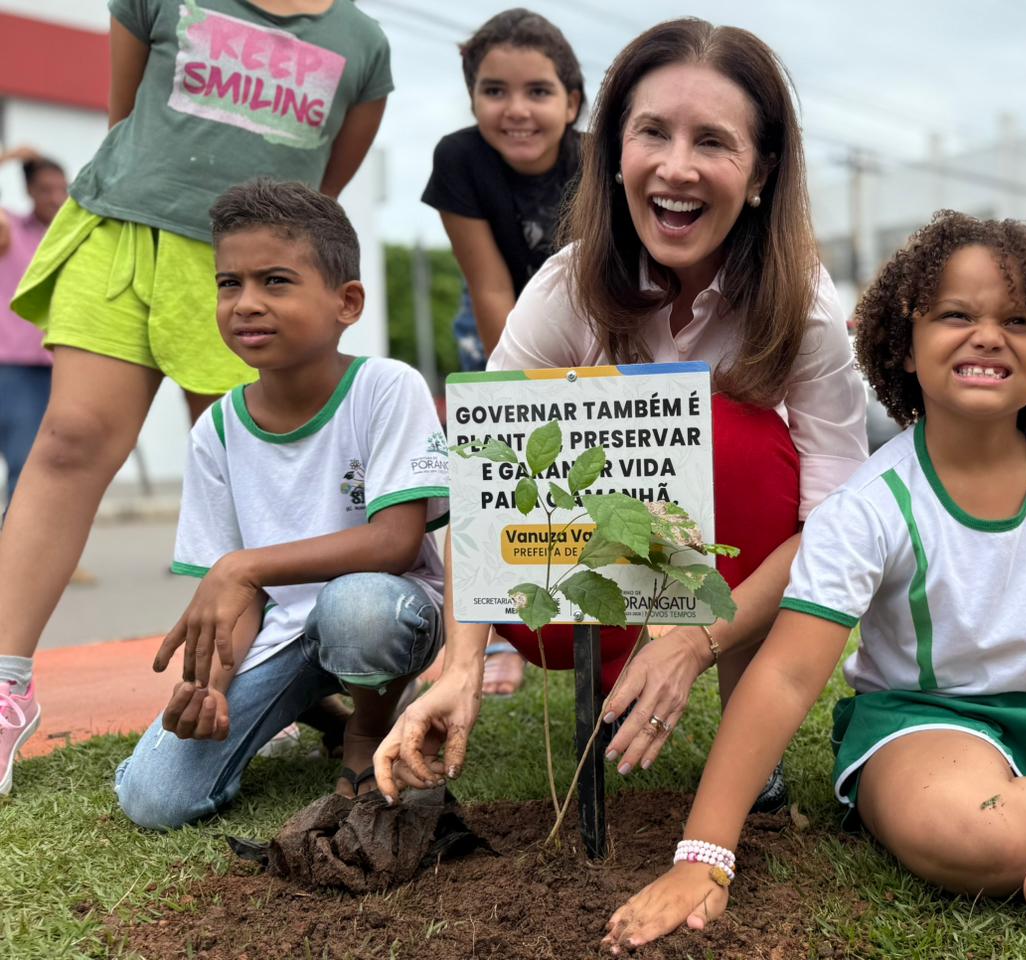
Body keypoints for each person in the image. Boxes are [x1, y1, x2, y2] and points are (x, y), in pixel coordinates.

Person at [601, 212, 1026, 957]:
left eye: (1019, 319)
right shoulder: (868, 506)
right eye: (956, 314)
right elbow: (787, 677)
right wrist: (704, 855)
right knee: (982, 828)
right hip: (927, 730)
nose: (987, 335)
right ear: (906, 340)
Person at [375, 19, 868, 815]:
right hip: (570, 594)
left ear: (761, 174)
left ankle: (750, 738)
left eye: (713, 141)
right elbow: (483, 479)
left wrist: (693, 641)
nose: (676, 168)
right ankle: (607, 694)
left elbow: (835, 522)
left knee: (746, 438)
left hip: (722, 588)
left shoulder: (801, 302)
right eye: (651, 133)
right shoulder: (565, 286)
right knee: (556, 446)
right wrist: (460, 664)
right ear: (612, 155)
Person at [0, 0, 392, 797]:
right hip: (125, 229)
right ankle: (5, 683)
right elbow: (127, 119)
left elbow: (317, 186)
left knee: (268, 481)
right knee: (71, 437)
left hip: (253, 266)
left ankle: (299, 682)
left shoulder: (362, 45)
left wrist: (269, 264)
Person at [113, 180, 449, 828]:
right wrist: (211, 686)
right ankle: (313, 705)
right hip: (283, 634)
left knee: (357, 610)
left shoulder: (385, 388)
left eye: (274, 281)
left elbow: (395, 543)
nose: (246, 304)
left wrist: (244, 566)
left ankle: (364, 732)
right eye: (228, 284)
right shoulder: (217, 430)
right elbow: (233, 602)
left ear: (346, 302)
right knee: (153, 800)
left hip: (387, 613)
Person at [422, 8, 586, 696]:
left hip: (589, 313)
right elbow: (489, 285)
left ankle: (615, 620)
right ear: (472, 98)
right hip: (499, 314)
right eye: (495, 91)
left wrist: (588, 393)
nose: (516, 110)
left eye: (538, 92)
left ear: (572, 102)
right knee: (494, 468)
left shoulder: (600, 158)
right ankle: (490, 635)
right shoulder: (459, 159)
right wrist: (522, 399)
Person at [0, 149, 66, 515]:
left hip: (59, 366)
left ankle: (42, 556)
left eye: (62, 189)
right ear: (28, 191)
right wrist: (8, 157)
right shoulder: (9, 230)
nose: (56, 197)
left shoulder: (70, 237)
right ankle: (14, 560)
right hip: (15, 369)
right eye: (45, 189)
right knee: (24, 463)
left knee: (54, 464)